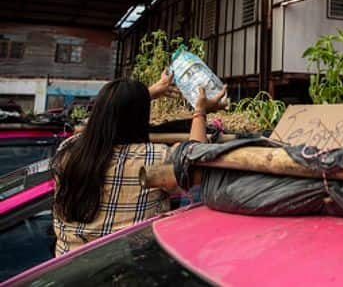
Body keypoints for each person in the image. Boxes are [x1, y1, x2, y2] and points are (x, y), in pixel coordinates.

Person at [52, 71, 226, 256]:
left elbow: (105, 116)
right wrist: (200, 111)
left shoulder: (69, 150)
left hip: (65, 268)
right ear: (141, 118)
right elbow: (193, 157)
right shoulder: (152, 158)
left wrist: (146, 94)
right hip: (127, 270)